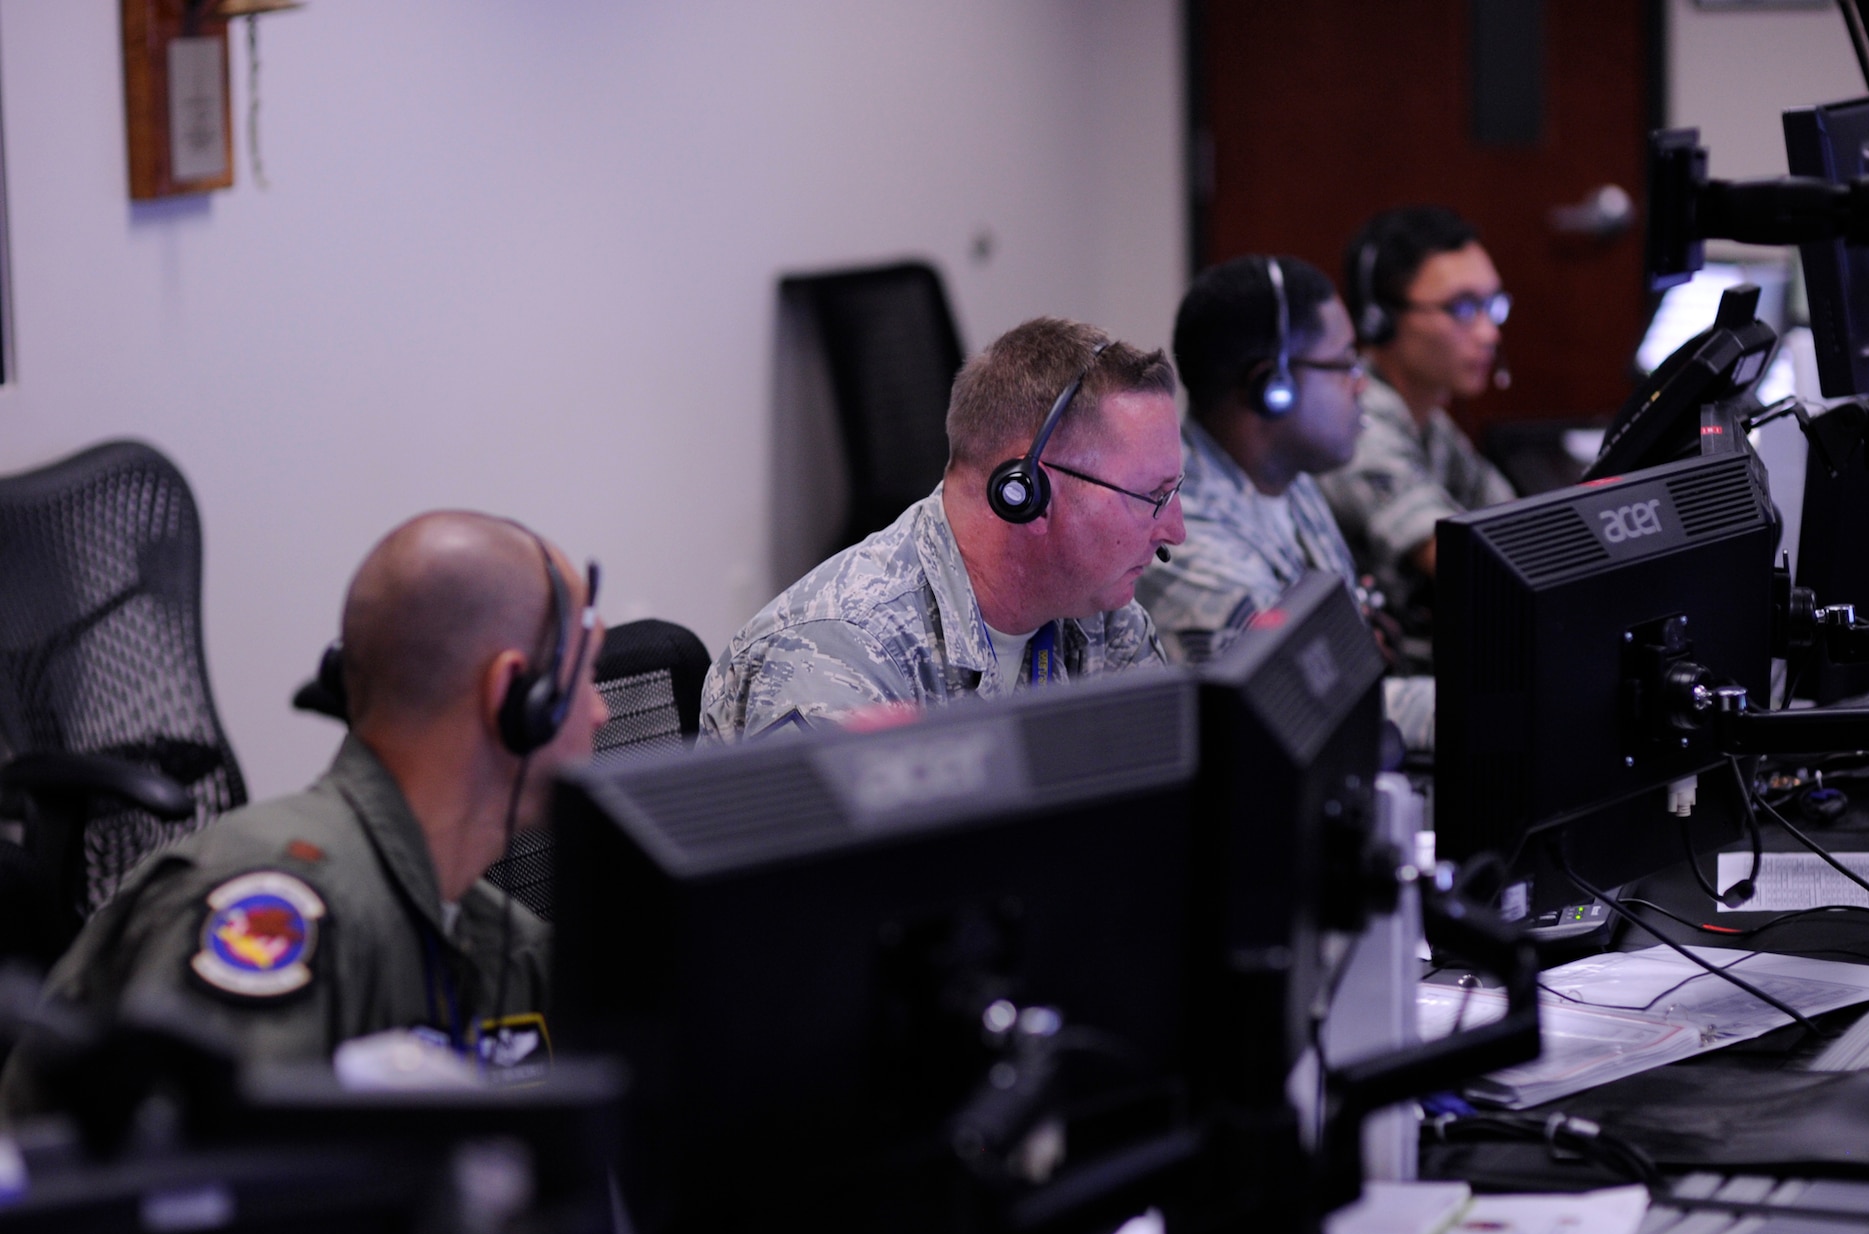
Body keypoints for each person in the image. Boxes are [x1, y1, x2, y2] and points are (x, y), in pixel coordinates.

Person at [1, 512, 607, 1113]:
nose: (602, 712)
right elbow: (212, 1191)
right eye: (587, 675)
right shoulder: (280, 908)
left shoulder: (503, 945)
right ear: (516, 698)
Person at [702, 317, 1185, 740]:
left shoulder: (1100, 613)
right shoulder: (837, 657)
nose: (1175, 530)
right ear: (1026, 491)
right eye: (1152, 496)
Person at [1137, 254, 1433, 750]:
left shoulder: (1283, 475)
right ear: (1271, 387)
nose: (1361, 385)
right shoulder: (1185, 544)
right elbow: (1316, 709)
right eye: (1342, 364)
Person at [1321, 205, 1517, 640]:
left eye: (1493, 305)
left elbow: (1507, 522)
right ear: (1381, 319)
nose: (1490, 334)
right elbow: (1467, 567)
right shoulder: (1359, 424)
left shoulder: (1427, 416)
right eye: (1464, 309)